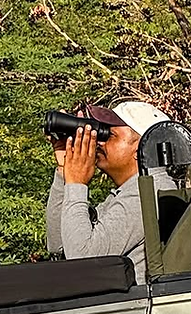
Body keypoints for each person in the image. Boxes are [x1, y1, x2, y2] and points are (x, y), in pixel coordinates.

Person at [46, 100, 177, 285]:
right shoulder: (129, 190)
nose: (99, 141)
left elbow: (82, 261)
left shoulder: (150, 192)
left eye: (110, 135)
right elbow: (58, 246)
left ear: (140, 149)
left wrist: (77, 183)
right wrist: (64, 171)